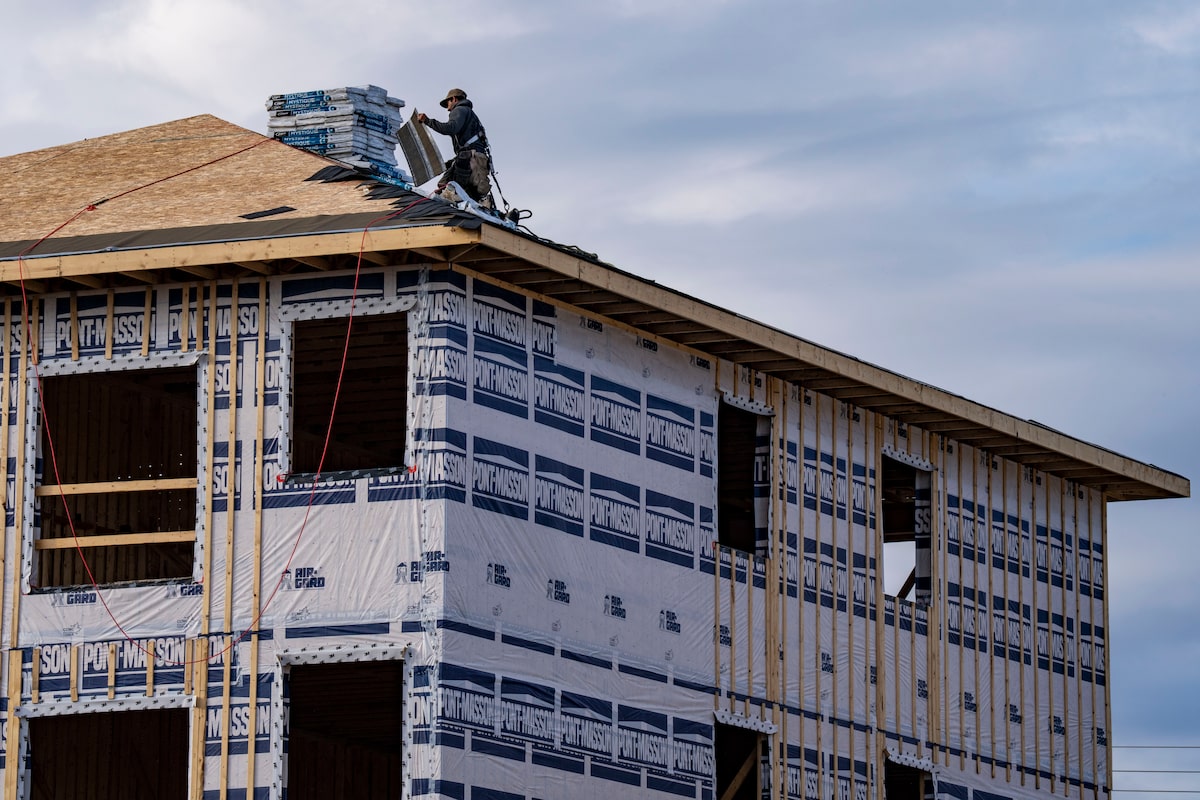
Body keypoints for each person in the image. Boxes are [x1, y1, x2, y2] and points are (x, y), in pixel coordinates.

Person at [417, 88, 493, 205]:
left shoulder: (459, 110)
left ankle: (472, 200)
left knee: (448, 187)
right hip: (476, 157)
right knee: (461, 190)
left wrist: (427, 121)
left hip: (471, 158)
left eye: (448, 102)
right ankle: (481, 202)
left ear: (454, 99)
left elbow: (450, 128)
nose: (447, 107)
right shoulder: (469, 114)